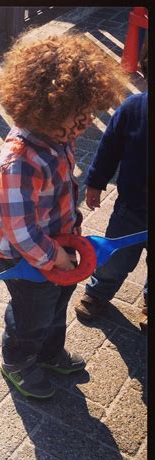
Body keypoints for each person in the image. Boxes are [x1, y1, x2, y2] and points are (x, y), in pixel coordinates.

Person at [0, 31, 128, 399]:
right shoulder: (19, 162)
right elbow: (20, 231)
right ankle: (18, 361)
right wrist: (55, 257)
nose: (85, 125)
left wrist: (66, 248)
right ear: (44, 108)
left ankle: (49, 353)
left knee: (56, 306)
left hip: (58, 247)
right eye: (77, 118)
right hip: (26, 258)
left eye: (88, 116)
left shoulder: (57, 136)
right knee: (30, 316)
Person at [75, 36, 148, 330]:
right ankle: (98, 291)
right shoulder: (132, 108)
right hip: (131, 207)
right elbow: (109, 148)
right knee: (115, 255)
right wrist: (95, 182)